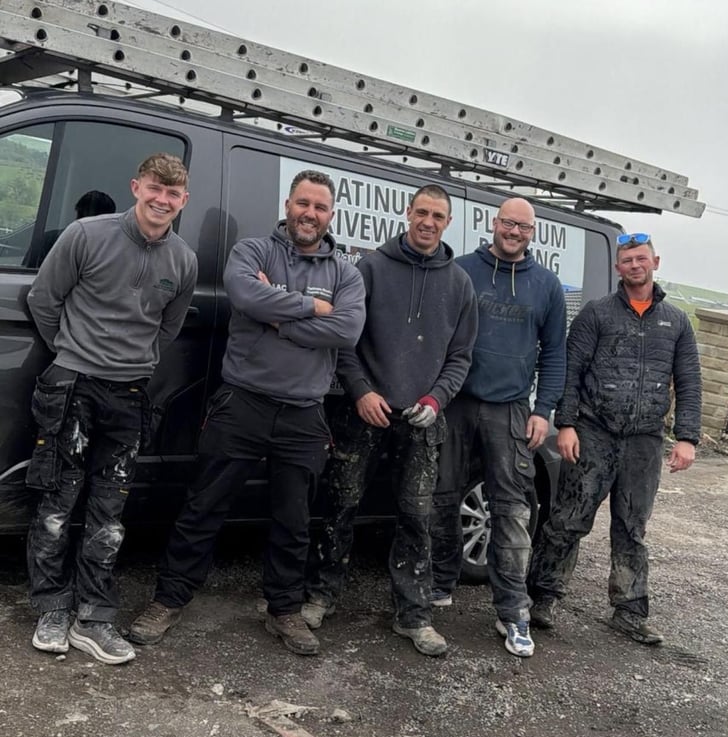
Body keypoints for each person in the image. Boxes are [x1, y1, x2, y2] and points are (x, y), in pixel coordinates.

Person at [128, 169, 366, 656]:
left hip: (304, 413)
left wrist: (280, 318)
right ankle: (169, 600)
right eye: (303, 203)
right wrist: (314, 309)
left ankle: (284, 610)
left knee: (293, 520)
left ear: (331, 215)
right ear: (288, 204)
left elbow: (347, 332)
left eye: (320, 207)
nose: (310, 214)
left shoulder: (345, 273)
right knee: (203, 506)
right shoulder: (253, 252)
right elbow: (245, 295)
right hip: (243, 403)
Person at [26, 153, 196, 665]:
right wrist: (73, 352)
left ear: (183, 201)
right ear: (136, 187)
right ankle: (52, 608)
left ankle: (94, 617)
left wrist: (131, 364)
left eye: (172, 194)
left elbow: (168, 327)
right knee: (58, 505)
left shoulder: (183, 261)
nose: (161, 200)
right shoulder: (86, 235)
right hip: (72, 385)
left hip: (129, 395)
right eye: (154, 189)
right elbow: (43, 299)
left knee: (110, 512)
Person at [302, 184, 479, 657]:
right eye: (421, 212)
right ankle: (320, 596)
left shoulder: (460, 283)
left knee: (417, 518)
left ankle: (412, 615)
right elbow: (345, 342)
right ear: (407, 213)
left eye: (438, 215)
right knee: (340, 505)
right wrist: (361, 391)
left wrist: (437, 399)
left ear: (448, 222)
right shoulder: (371, 269)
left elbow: (461, 357)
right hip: (365, 413)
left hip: (423, 420)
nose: (428, 222)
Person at [528, 232, 702, 644]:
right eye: (627, 261)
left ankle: (629, 610)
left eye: (641, 259)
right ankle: (541, 597)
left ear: (655, 262)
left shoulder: (676, 322)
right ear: (618, 268)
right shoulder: (596, 314)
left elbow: (689, 382)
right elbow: (570, 370)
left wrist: (687, 437)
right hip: (593, 433)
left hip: (644, 440)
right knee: (569, 519)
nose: (635, 266)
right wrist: (566, 424)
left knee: (632, 528)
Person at [430, 197, 566, 658]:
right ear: (494, 223)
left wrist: (542, 409)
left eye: (524, 226)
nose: (514, 231)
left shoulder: (546, 286)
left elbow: (555, 354)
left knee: (510, 510)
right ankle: (440, 582)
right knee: (443, 496)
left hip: (509, 409)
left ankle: (513, 612)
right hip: (455, 401)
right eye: (508, 222)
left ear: (533, 232)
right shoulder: (462, 269)